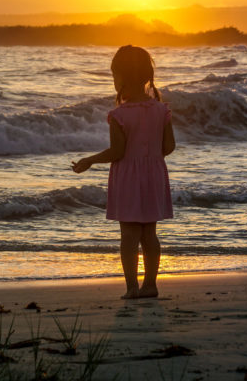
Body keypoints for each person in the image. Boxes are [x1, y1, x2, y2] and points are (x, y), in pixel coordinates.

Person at [71, 45, 175, 299]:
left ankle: (131, 288)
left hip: (128, 179)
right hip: (154, 175)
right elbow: (169, 146)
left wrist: (89, 160)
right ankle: (150, 285)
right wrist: (149, 159)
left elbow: (117, 152)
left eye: (114, 75)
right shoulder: (162, 110)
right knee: (149, 234)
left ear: (123, 78)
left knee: (129, 235)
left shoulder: (118, 115)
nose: (113, 80)